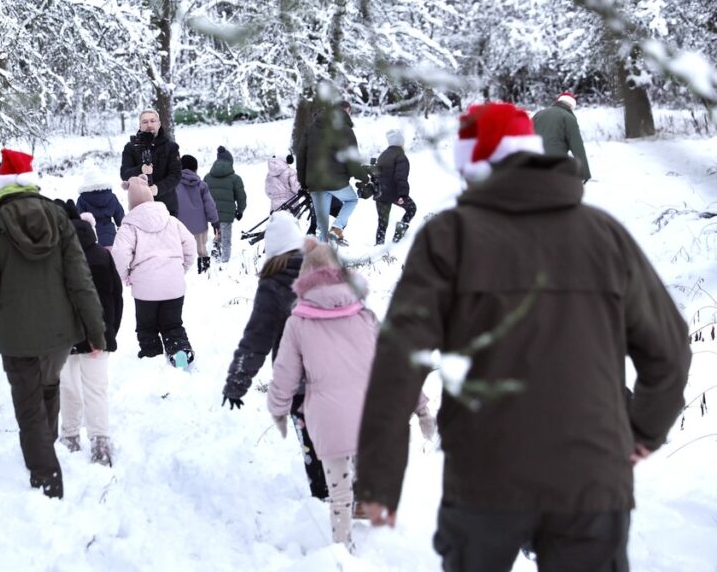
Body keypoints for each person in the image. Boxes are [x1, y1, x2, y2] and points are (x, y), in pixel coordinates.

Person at [354, 102, 691, 571]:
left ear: (472, 166)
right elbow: (670, 351)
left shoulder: (447, 239)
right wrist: (640, 432)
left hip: (482, 476)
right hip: (592, 477)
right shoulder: (604, 235)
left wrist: (379, 477)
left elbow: (398, 361)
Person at [0, 149, 106, 499]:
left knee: (28, 407)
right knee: (48, 387)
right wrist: (95, 330)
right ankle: (46, 450)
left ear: (2, 186)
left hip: (16, 335)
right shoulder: (58, 217)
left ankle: (47, 480)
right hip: (60, 333)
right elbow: (80, 278)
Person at [267, 238, 377, 550]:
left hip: (327, 417)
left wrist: (278, 409)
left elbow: (284, 375)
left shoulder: (298, 322)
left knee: (337, 490)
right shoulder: (364, 315)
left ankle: (343, 550)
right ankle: (365, 509)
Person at [222, 211, 329, 500]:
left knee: (314, 445)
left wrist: (237, 381)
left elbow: (257, 339)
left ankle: (325, 499)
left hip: (301, 384)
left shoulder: (274, 284)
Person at [55, 202, 123, 468]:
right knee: (96, 390)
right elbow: (114, 299)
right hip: (97, 336)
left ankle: (70, 437)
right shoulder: (100, 255)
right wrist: (107, 333)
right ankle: (99, 443)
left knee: (69, 389)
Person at [112, 176, 197, 368]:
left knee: (147, 328)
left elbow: (119, 256)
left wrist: (125, 276)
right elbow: (190, 244)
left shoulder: (129, 227)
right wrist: (181, 268)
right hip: (174, 285)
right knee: (173, 324)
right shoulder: (172, 221)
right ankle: (180, 352)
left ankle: (152, 361)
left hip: (145, 288)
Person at [295, 99, 365, 245]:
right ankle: (337, 227)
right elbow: (352, 159)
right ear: (346, 111)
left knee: (322, 227)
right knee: (352, 200)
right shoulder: (345, 129)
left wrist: (303, 183)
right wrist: (363, 178)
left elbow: (301, 157)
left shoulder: (311, 129)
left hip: (314, 183)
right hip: (336, 182)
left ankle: (321, 258)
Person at [119, 109, 182, 216]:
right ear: (140, 125)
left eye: (153, 121)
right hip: (140, 207)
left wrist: (158, 188)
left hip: (167, 207)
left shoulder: (171, 147)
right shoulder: (130, 147)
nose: (149, 125)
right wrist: (140, 169)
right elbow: (125, 174)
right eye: (145, 122)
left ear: (159, 124)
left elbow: (176, 175)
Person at [532, 92, 592, 183]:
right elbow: (577, 146)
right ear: (571, 105)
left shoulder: (539, 114)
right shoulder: (568, 117)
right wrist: (584, 173)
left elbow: (526, 135)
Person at [175, 154, 220, 274]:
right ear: (195, 168)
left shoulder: (174, 185)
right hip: (200, 226)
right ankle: (204, 272)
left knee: (181, 251)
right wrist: (215, 221)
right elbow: (209, 205)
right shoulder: (201, 185)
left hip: (181, 226)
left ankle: (180, 273)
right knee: (202, 249)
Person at [373, 129, 417, 244]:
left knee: (382, 222)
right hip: (394, 193)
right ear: (400, 143)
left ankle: (379, 244)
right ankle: (397, 237)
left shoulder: (383, 155)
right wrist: (403, 194)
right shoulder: (400, 156)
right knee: (411, 208)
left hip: (380, 193)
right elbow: (400, 177)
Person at [204, 146, 247, 264]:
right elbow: (241, 197)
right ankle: (225, 262)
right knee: (226, 239)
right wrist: (240, 210)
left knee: (217, 233)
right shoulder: (235, 179)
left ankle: (215, 255)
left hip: (212, 213)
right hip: (227, 214)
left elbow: (202, 195)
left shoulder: (207, 177)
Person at [76, 167, 125, 248]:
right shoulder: (111, 197)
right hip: (110, 234)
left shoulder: (82, 199)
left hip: (92, 237)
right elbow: (120, 218)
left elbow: (79, 220)